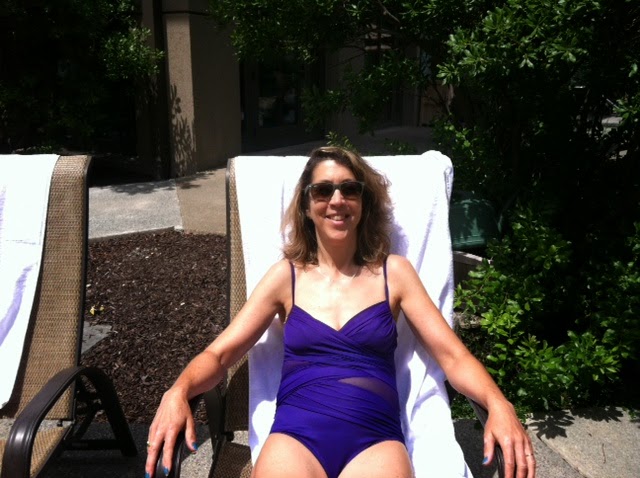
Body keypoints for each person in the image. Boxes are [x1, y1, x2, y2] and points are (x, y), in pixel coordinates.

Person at [145, 146, 536, 478]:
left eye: (350, 189)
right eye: (323, 190)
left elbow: (453, 356)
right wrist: (178, 390)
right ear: (307, 205)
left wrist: (498, 403)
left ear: (364, 203)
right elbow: (219, 354)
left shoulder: (394, 273)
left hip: (374, 441)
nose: (337, 200)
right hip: (296, 439)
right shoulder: (285, 277)